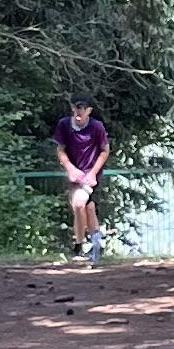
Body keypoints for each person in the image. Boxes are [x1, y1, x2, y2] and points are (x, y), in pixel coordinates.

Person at [52, 96, 110, 264]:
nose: (79, 111)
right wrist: (70, 169)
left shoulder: (96, 127)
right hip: (74, 175)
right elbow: (60, 149)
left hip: (92, 175)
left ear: (89, 111)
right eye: (76, 107)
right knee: (88, 208)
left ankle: (79, 246)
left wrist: (93, 173)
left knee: (78, 204)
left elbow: (105, 151)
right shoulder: (64, 124)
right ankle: (96, 243)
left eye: (83, 108)